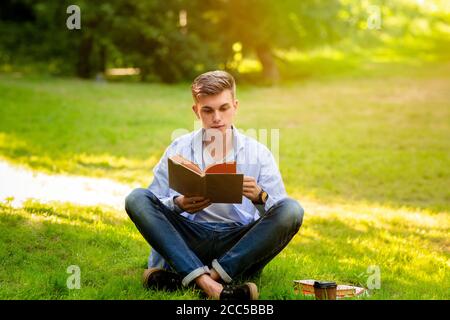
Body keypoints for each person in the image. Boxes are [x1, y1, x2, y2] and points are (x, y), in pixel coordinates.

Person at [125, 70, 304, 300]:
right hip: (189, 239)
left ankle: (193, 278)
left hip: (238, 244)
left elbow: (281, 214)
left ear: (235, 106)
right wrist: (178, 204)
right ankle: (213, 287)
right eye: (207, 110)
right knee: (136, 198)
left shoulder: (259, 153)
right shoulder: (178, 148)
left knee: (292, 209)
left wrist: (260, 197)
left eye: (224, 108)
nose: (216, 118)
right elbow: (151, 204)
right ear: (196, 110)